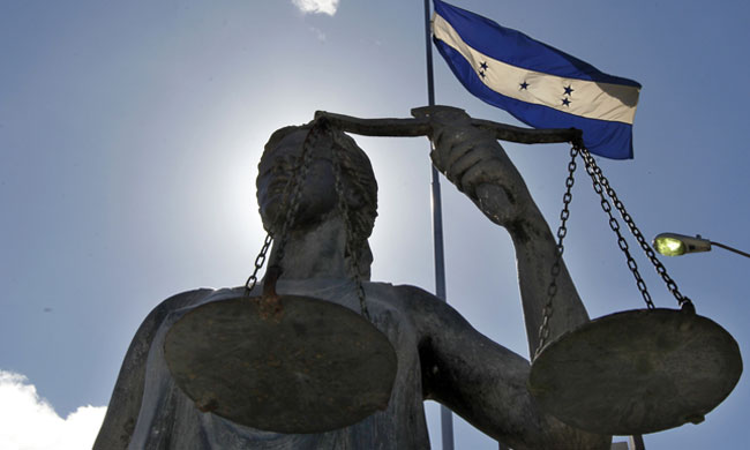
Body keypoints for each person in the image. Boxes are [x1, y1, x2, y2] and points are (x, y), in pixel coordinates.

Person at [94, 108, 611, 449]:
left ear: (353, 187)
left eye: (298, 157)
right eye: (265, 168)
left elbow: (571, 432)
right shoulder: (176, 314)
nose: (273, 171)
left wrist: (528, 230)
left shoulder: (405, 314)